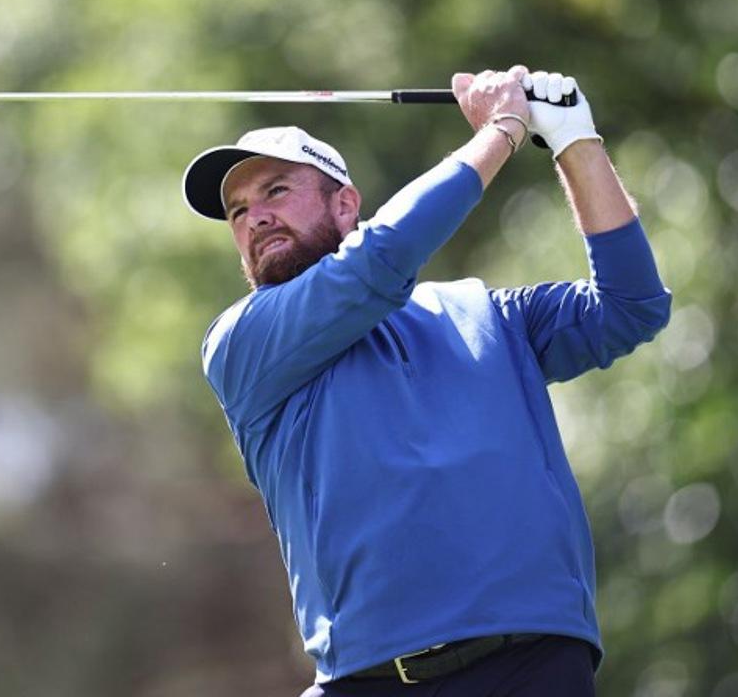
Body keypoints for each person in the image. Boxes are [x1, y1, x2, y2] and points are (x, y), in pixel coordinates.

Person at [181, 66, 671, 696]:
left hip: (532, 666)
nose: (254, 219)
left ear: (345, 204)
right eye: (238, 211)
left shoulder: (486, 314)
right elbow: (381, 260)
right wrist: (503, 128)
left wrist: (576, 140)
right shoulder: (242, 343)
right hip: (370, 680)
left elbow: (632, 305)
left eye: (276, 190)